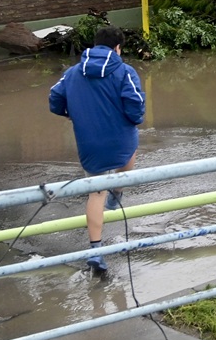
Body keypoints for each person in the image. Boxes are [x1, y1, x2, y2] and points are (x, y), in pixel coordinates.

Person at [49, 26, 146, 275]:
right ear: (117, 48)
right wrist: (132, 120)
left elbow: (54, 99)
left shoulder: (72, 73)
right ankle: (118, 192)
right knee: (132, 146)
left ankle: (95, 250)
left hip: (88, 142)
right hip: (121, 139)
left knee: (95, 191)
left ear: (94, 46)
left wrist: (72, 114)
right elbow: (135, 106)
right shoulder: (125, 71)